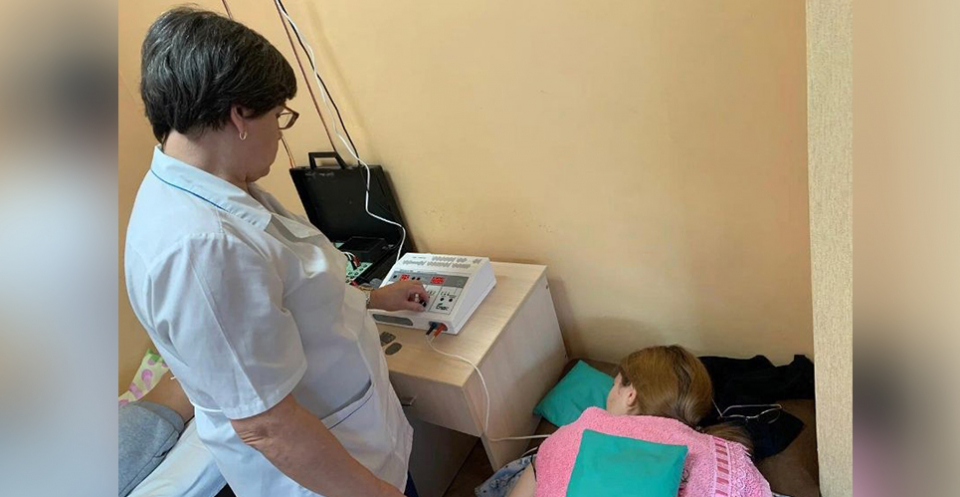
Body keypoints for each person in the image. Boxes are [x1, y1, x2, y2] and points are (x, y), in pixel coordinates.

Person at [125, 8, 429, 497]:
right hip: (331, 477)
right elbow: (266, 426)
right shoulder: (201, 248)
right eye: (279, 115)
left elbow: (285, 293)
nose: (281, 132)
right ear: (240, 115)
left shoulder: (213, 188)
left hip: (357, 438)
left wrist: (376, 298)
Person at [507, 346, 772, 497]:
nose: (609, 395)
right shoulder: (729, 459)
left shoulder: (581, 431)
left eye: (614, 386)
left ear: (630, 394)